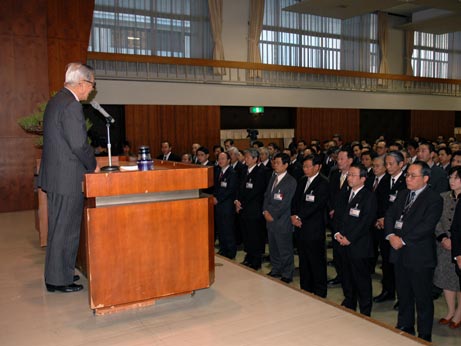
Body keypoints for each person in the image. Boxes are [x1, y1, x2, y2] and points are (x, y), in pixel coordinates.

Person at [38, 62, 99, 293]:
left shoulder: (56, 101)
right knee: (65, 229)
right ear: (82, 83)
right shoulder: (71, 105)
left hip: (56, 177)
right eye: (92, 84)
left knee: (59, 228)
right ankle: (58, 280)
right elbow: (78, 144)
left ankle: (60, 274)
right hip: (67, 178)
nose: (92, 90)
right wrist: (92, 165)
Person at [384, 161, 443, 342]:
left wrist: (402, 240)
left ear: (425, 178)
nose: (408, 179)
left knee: (422, 296)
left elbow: (427, 226)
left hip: (419, 255)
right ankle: (405, 324)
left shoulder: (434, 199)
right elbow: (390, 215)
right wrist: (391, 235)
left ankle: (424, 333)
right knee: (404, 293)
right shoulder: (402, 194)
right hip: (399, 252)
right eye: (407, 175)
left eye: (412, 176)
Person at [333, 163, 377, 316]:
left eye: (353, 175)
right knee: (346, 276)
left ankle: (365, 310)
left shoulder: (368, 196)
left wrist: (350, 238)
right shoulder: (344, 194)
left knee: (362, 280)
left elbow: (366, 222)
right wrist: (337, 233)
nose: (349, 178)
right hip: (342, 243)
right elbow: (337, 216)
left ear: (363, 178)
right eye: (348, 175)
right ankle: (349, 303)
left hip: (359, 245)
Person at [291, 154, 329, 297]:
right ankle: (305, 288)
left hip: (314, 228)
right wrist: (293, 215)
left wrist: (299, 216)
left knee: (316, 261)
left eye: (308, 166)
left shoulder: (323, 182)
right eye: (304, 166)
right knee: (304, 260)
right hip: (300, 227)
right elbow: (295, 201)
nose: (305, 169)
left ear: (317, 167)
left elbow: (317, 205)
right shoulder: (302, 181)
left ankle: (320, 291)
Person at [263, 153, 297, 283]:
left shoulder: (291, 181)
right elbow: (266, 196)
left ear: (286, 165)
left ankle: (287, 273)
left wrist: (272, 214)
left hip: (282, 221)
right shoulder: (273, 178)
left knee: (285, 248)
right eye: (274, 162)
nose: (275, 165)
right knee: (273, 247)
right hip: (270, 219)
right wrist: (265, 211)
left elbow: (286, 202)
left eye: (277, 163)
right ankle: (276, 269)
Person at [434, 166, 461, 329]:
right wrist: (443, 237)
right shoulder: (442, 197)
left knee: (459, 281)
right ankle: (450, 311)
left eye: (456, 178)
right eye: (450, 177)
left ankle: (459, 314)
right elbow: (435, 219)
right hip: (444, 245)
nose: (451, 181)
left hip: (460, 248)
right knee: (446, 279)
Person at [235, 148, 268, 270]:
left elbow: (256, 192)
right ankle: (248, 257)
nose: (246, 159)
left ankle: (256, 260)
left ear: (255, 159)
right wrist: (237, 201)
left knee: (255, 236)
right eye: (245, 157)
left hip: (254, 209)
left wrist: (242, 202)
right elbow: (239, 187)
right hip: (243, 208)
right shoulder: (244, 170)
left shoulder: (261, 172)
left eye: (248, 157)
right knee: (247, 235)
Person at [214, 152, 238, 259]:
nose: (220, 160)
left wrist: (218, 199)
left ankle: (231, 252)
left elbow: (231, 190)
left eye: (223, 158)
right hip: (218, 205)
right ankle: (223, 249)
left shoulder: (232, 173)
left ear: (229, 160)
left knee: (228, 229)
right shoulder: (218, 171)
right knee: (221, 229)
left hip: (227, 206)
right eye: (219, 158)